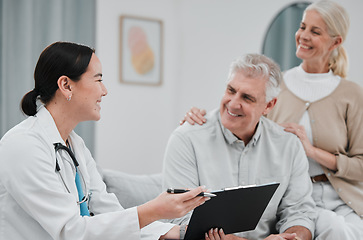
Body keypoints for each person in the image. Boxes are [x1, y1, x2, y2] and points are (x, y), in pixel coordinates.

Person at [180, 1, 363, 239]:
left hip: (340, 198)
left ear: (336, 42)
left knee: (347, 231)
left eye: (315, 32)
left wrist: (311, 151)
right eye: (302, 27)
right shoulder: (275, 87)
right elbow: (240, 116)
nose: (303, 36)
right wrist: (196, 118)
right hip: (289, 197)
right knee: (335, 230)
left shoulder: (352, 94)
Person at [0, 41, 210, 240]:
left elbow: (109, 213)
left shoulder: (75, 145)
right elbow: (70, 231)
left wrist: (180, 232)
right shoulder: (23, 146)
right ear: (66, 85)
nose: (104, 90)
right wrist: (154, 210)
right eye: (98, 79)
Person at [163, 53, 317, 240]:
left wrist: (293, 238)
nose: (234, 104)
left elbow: (300, 212)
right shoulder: (187, 139)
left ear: (269, 105)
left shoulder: (288, 146)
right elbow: (180, 224)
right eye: (231, 90)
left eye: (247, 98)